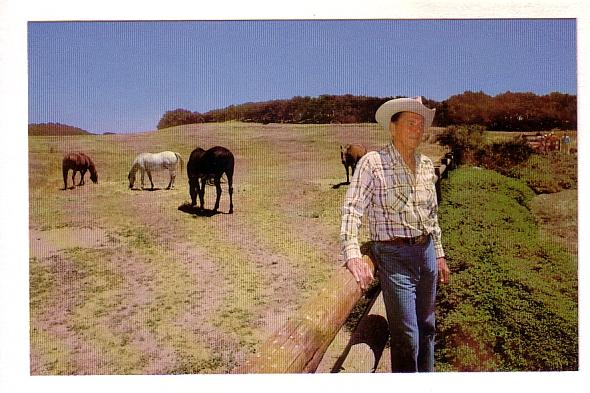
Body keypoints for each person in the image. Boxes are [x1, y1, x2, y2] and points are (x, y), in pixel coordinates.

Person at [340, 96, 450, 372]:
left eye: (421, 124)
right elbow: (352, 210)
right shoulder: (372, 163)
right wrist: (353, 255)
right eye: (411, 123)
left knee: (428, 327)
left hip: (425, 253)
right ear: (392, 127)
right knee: (407, 337)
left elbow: (431, 215)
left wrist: (438, 253)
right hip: (394, 257)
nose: (418, 129)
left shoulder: (426, 165)